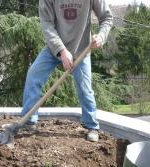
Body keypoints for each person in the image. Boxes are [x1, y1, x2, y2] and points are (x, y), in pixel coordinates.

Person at [21, 0, 113, 142]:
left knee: (85, 88)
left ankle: (92, 126)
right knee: (34, 75)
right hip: (54, 49)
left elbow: (106, 17)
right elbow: (47, 25)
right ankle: (28, 122)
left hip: (81, 49)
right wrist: (62, 51)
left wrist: (101, 36)